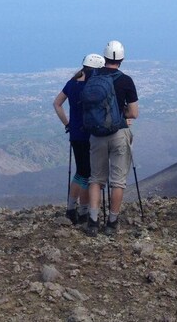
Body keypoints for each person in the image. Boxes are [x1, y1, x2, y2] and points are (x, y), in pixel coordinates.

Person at [86, 40, 139, 237]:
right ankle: (112, 223)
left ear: (104, 57)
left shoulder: (92, 77)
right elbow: (134, 112)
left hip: (96, 134)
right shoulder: (126, 81)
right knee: (117, 181)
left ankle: (92, 222)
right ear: (122, 59)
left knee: (96, 179)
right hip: (118, 133)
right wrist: (121, 112)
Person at [53, 53, 105, 224]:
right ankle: (83, 212)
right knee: (87, 175)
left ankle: (70, 208)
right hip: (89, 135)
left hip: (75, 133)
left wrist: (67, 124)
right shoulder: (92, 87)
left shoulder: (72, 83)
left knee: (80, 173)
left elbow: (57, 103)